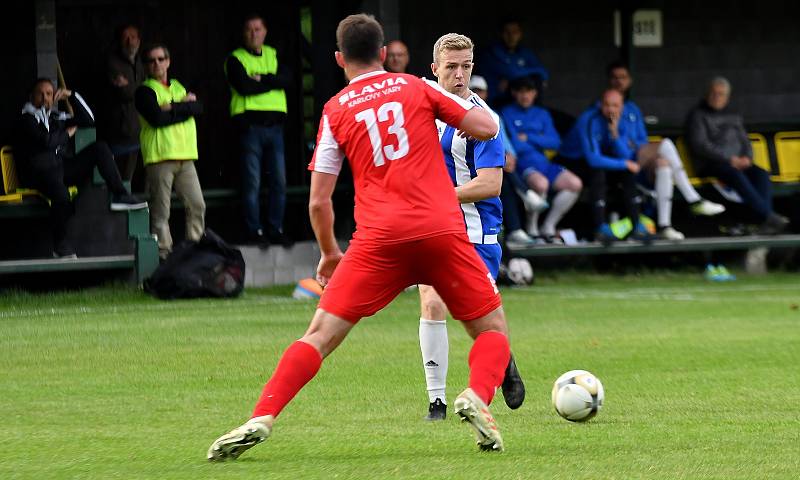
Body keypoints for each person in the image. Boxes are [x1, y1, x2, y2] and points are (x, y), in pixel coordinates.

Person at [208, 14, 510, 460]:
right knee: (492, 329)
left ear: (338, 59)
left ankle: (262, 416)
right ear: (384, 54)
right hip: (440, 229)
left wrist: (330, 253)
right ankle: (478, 396)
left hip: (378, 239)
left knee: (319, 335)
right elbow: (485, 128)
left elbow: (318, 202)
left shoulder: (335, 109)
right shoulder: (416, 86)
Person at [416, 33, 525, 422]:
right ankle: (437, 403)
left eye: (466, 66)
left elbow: (490, 184)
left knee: (478, 318)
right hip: (435, 227)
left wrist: (440, 195)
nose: (459, 75)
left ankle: (504, 360)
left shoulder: (484, 121)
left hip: (478, 231)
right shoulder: (421, 103)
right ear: (435, 70)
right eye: (451, 67)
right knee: (431, 301)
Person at [15, 78, 147, 258]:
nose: (45, 98)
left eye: (49, 93)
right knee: (62, 196)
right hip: (38, 174)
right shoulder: (26, 118)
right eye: (41, 93)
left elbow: (88, 119)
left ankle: (120, 195)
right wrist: (67, 134)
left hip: (60, 170)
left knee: (99, 148)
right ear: (32, 96)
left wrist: (71, 95)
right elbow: (47, 142)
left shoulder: (54, 117)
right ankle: (59, 246)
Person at [606, 61, 725, 240]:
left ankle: (664, 226)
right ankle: (693, 199)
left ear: (629, 81)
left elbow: (640, 141)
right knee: (666, 144)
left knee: (664, 164)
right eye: (615, 78)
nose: (619, 81)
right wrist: (621, 138)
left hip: (639, 162)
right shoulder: (605, 109)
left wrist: (634, 146)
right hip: (620, 166)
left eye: (623, 77)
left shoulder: (632, 109)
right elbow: (614, 145)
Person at [685, 77, 789, 234]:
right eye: (713, 93)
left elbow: (745, 141)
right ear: (706, 94)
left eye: (720, 94)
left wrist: (747, 157)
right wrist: (729, 159)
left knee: (761, 174)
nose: (716, 97)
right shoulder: (697, 115)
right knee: (734, 174)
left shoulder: (733, 114)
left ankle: (763, 219)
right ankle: (767, 217)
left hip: (738, 163)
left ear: (727, 97)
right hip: (712, 164)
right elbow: (701, 145)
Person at [224, 14, 293, 248]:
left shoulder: (274, 54)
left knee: (279, 182)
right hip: (250, 129)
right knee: (252, 183)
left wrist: (262, 79)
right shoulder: (235, 59)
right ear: (244, 34)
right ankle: (255, 231)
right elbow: (243, 86)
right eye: (249, 30)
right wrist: (272, 82)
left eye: (258, 29)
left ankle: (276, 229)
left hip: (275, 129)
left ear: (265, 32)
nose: (254, 33)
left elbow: (288, 79)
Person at [135, 44, 206, 260]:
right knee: (161, 212)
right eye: (151, 60)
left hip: (185, 157)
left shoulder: (177, 87)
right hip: (159, 158)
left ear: (168, 61)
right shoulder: (144, 91)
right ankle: (163, 255)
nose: (156, 63)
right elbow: (156, 118)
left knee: (197, 205)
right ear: (146, 66)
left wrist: (171, 107)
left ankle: (194, 251)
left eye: (160, 59)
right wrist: (183, 107)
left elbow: (198, 108)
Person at [558, 89, 651, 245]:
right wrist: (624, 164)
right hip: (572, 162)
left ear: (622, 107)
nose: (611, 109)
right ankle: (600, 227)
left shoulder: (619, 121)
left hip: (598, 163)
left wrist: (614, 134)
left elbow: (625, 155)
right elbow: (593, 159)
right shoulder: (589, 119)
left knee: (626, 173)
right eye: (607, 105)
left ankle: (637, 227)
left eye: (615, 106)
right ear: (601, 105)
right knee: (599, 172)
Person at [501, 76, 582, 243]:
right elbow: (514, 145)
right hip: (522, 164)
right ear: (514, 93)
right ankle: (532, 229)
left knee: (575, 184)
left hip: (544, 163)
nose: (525, 96)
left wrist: (529, 137)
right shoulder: (506, 113)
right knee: (541, 184)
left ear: (535, 93)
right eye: (521, 92)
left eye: (529, 91)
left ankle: (548, 226)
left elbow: (555, 142)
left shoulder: (542, 114)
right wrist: (539, 138)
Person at [472, 75, 546, 248]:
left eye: (480, 91)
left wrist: (508, 157)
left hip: (494, 167)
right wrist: (501, 158)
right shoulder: (459, 113)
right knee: (500, 176)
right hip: (471, 168)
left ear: (486, 93)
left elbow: (506, 144)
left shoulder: (493, 115)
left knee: (502, 178)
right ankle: (526, 196)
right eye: (474, 90)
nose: (477, 94)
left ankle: (516, 228)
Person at [102, 23, 145, 182]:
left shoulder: (142, 61)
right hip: (122, 131)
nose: (129, 41)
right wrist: (142, 89)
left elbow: (151, 90)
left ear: (139, 41)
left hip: (143, 130)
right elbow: (125, 93)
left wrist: (134, 87)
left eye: (133, 37)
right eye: (125, 38)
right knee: (123, 179)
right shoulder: (113, 62)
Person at [478, 18, 548, 106]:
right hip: (496, 100)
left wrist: (512, 77)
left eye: (514, 32)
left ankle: (534, 114)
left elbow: (543, 71)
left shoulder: (524, 52)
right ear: (501, 34)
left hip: (517, 99)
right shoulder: (492, 52)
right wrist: (521, 73)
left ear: (520, 34)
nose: (511, 36)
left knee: (537, 79)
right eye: (507, 32)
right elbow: (511, 71)